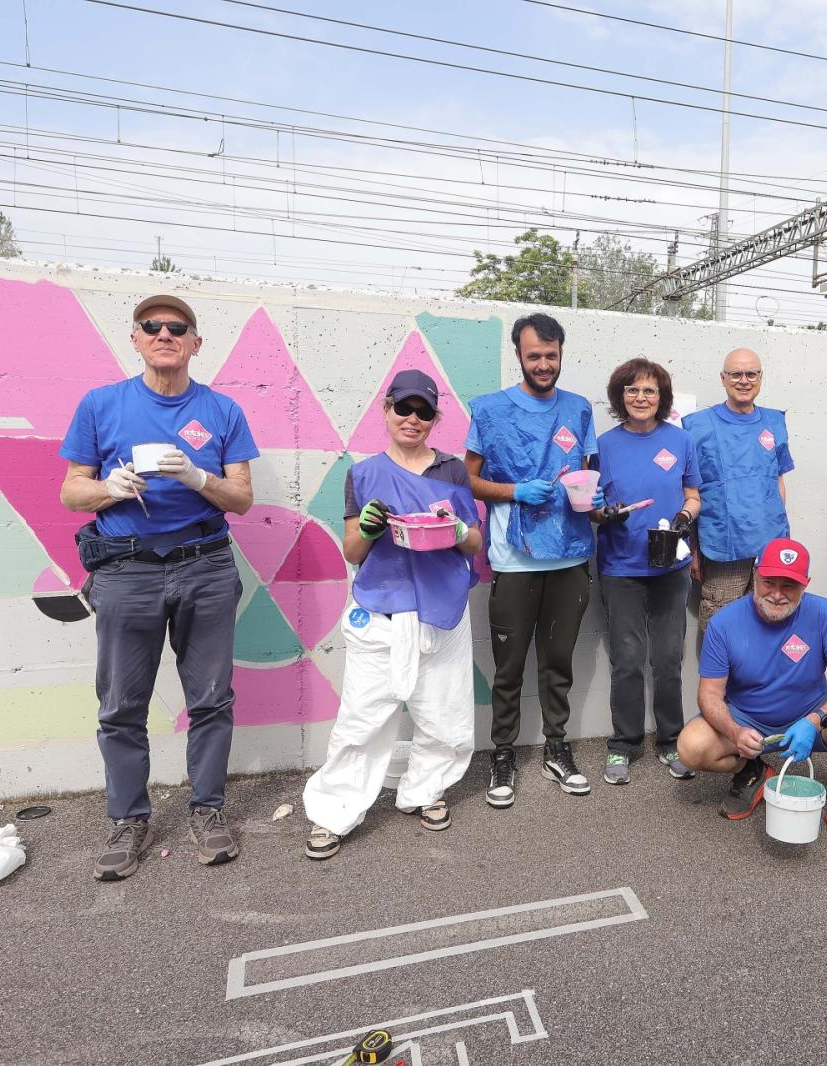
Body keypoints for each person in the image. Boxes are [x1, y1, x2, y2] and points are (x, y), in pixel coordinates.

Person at [59, 294, 258, 881]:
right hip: (125, 569)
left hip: (206, 564)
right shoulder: (101, 404)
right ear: (136, 338)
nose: (164, 334)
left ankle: (208, 811)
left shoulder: (222, 411)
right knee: (121, 704)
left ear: (196, 342)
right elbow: (71, 491)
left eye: (178, 327)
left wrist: (199, 478)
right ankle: (127, 818)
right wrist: (108, 489)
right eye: (152, 326)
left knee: (212, 699)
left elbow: (242, 498)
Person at [300, 370, 482, 859]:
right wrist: (368, 525)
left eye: (424, 411)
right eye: (404, 408)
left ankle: (426, 791)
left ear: (435, 418)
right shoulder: (363, 474)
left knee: (445, 715)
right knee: (363, 718)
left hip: (443, 609)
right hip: (382, 609)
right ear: (387, 410)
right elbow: (353, 552)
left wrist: (458, 526)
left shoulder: (452, 471)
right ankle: (333, 811)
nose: (413, 419)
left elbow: (475, 542)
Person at [465, 312, 605, 808]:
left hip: (569, 556)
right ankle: (502, 754)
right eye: (534, 356)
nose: (543, 364)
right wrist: (513, 491)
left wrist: (595, 498)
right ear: (518, 356)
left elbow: (588, 473)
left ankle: (557, 747)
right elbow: (469, 480)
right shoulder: (488, 410)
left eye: (551, 355)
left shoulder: (579, 408)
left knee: (558, 663)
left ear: (561, 355)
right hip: (513, 558)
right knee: (508, 668)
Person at [677, 538, 827, 853]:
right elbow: (709, 695)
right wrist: (734, 731)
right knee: (691, 747)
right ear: (755, 575)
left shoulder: (823, 614)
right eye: (769, 582)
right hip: (746, 720)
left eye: (788, 585)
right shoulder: (724, 623)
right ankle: (753, 770)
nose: (776, 593)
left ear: (806, 585)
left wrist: (814, 721)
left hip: (810, 717)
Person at [592, 358, 701, 785]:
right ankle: (623, 744)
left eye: (650, 391)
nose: (641, 397)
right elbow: (590, 503)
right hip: (620, 567)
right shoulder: (603, 443)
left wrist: (684, 518)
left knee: (668, 658)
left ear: (662, 398)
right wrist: (605, 515)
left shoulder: (681, 441)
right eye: (633, 390)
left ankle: (671, 740)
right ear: (621, 397)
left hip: (671, 564)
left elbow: (693, 495)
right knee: (628, 660)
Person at [682, 347, 793, 640]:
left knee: (772, 628)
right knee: (722, 631)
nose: (744, 380)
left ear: (760, 377)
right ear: (723, 378)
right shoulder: (698, 426)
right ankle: (719, 688)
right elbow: (690, 490)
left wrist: (780, 535)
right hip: (722, 549)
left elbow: (778, 480)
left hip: (770, 548)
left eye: (751, 374)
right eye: (736, 374)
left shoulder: (774, 422)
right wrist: (693, 547)